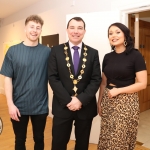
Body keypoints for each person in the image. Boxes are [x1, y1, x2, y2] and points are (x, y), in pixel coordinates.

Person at [48, 17, 101, 150]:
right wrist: (68, 100)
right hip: (62, 106)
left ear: (84, 31)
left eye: (79, 28)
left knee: (82, 145)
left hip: (85, 107)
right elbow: (53, 78)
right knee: (58, 144)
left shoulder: (93, 53)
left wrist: (80, 100)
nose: (76, 31)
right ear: (67, 30)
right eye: (72, 28)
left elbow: (96, 79)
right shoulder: (56, 51)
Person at [0, 15, 51, 150]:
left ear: (41, 31)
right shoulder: (13, 51)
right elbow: (7, 79)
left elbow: (56, 76)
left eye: (38, 28)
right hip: (18, 106)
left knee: (39, 138)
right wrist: (10, 104)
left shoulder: (47, 52)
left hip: (40, 106)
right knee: (20, 140)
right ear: (25, 28)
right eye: (32, 27)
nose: (34, 30)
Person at [97, 22, 147, 150]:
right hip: (108, 101)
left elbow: (142, 84)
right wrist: (99, 102)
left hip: (127, 103)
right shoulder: (107, 57)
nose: (113, 35)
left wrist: (118, 91)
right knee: (107, 137)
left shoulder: (135, 55)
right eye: (110, 33)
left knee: (119, 140)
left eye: (117, 32)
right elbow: (103, 83)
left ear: (125, 35)